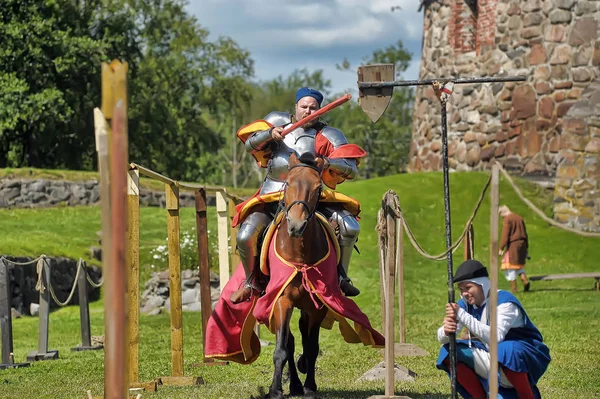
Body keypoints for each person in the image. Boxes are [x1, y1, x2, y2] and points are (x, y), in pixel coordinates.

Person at [229, 87, 366, 304]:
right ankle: (251, 283)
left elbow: (351, 167)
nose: (308, 111)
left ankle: (340, 277)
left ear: (320, 109)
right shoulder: (276, 121)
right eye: (304, 107)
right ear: (296, 107)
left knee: (350, 227)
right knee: (246, 235)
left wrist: (329, 162)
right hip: (274, 194)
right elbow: (249, 145)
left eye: (313, 107)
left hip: (313, 197)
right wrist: (269, 134)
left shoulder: (330, 135)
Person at [436, 259, 551, 399]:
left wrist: (460, 314)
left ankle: (527, 396)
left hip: (525, 357)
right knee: (449, 351)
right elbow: (442, 338)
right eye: (461, 289)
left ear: (481, 284)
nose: (464, 293)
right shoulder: (466, 304)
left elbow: (496, 336)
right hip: (492, 354)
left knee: (505, 349)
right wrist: (446, 331)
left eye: (468, 287)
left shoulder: (505, 302)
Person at [499, 205, 530, 293]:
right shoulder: (519, 218)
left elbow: (505, 235)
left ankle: (514, 288)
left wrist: (501, 248)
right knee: (518, 264)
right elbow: (525, 233)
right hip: (522, 244)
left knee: (509, 266)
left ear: (503, 213)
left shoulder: (508, 219)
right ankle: (524, 279)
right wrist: (526, 247)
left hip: (513, 244)